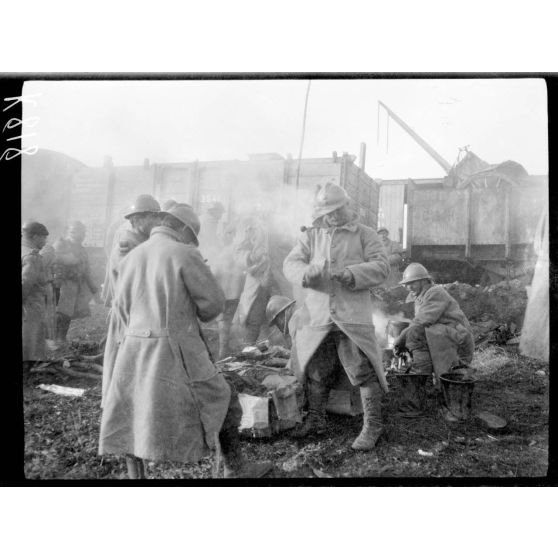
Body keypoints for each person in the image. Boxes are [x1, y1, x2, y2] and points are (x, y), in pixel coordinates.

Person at [99, 204, 272, 479]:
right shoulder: (184, 254)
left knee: (131, 409)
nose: (190, 241)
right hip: (175, 350)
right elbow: (212, 306)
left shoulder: (132, 256)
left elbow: (121, 309)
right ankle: (235, 468)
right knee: (223, 398)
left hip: (133, 350)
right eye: (190, 235)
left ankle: (136, 477)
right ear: (181, 228)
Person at [283, 183, 390, 451]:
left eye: (337, 210)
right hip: (319, 317)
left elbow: (382, 267)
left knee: (362, 370)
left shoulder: (365, 235)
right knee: (318, 370)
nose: (333, 216)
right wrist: (307, 273)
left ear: (346, 206)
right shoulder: (311, 236)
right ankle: (317, 420)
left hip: (351, 317)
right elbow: (290, 264)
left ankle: (373, 426)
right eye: (328, 212)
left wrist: (351, 273)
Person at [393, 262, 475, 417]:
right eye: (407, 284)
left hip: (456, 336)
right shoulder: (421, 295)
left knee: (416, 335)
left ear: (424, 280)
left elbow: (423, 321)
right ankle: (425, 384)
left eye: (412, 283)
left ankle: (419, 392)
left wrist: (399, 339)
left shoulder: (435, 292)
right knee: (417, 335)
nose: (409, 287)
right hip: (444, 334)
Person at [101, 194, 161, 307]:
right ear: (137, 220)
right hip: (129, 311)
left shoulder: (140, 242)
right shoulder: (127, 245)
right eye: (153, 218)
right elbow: (131, 284)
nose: (158, 223)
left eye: (158, 218)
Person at [53, 221, 98, 345]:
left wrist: (93, 287)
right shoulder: (61, 244)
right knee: (61, 311)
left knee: (68, 312)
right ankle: (56, 339)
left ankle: (62, 337)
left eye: (83, 232)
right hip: (63, 283)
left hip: (76, 283)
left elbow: (86, 268)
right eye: (80, 232)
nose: (83, 235)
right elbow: (53, 259)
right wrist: (69, 259)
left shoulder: (81, 248)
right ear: (71, 231)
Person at [235, 217, 273, 345]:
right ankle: (248, 351)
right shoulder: (251, 227)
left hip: (277, 282)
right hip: (257, 282)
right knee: (254, 318)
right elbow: (238, 253)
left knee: (280, 318)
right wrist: (251, 257)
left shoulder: (280, 227)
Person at [212, 220, 246, 359]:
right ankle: (227, 350)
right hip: (235, 293)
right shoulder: (240, 249)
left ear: (232, 234)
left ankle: (222, 353)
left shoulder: (227, 251)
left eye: (225, 233)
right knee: (228, 322)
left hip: (225, 293)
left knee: (223, 323)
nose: (222, 236)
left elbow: (215, 273)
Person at [22, 221, 50, 372]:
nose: (45, 242)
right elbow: (26, 283)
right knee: (32, 333)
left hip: (28, 303)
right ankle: (31, 366)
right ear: (35, 237)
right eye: (43, 238)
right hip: (31, 303)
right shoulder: (32, 257)